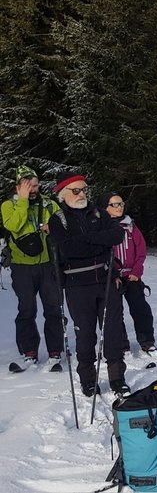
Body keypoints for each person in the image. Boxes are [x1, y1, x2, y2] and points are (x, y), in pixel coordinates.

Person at [47, 172, 129, 396]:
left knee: (112, 331)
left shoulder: (98, 213)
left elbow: (116, 236)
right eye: (76, 190)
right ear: (64, 194)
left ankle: (117, 378)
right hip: (76, 284)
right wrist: (97, 241)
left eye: (84, 189)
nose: (82, 193)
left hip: (106, 279)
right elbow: (68, 249)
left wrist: (86, 240)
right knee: (85, 334)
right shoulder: (58, 220)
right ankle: (88, 379)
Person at [1, 166, 64, 370]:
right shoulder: (8, 205)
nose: (34, 189)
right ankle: (29, 351)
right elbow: (14, 226)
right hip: (22, 266)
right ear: (18, 186)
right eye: (29, 186)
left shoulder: (48, 204)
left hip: (48, 264)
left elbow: (64, 224)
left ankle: (55, 350)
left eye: (36, 185)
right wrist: (23, 201)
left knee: (53, 308)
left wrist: (52, 227)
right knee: (26, 309)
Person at [99, 192, 156, 353]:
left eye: (121, 204)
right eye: (114, 205)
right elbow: (101, 251)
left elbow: (141, 250)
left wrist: (137, 270)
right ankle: (121, 344)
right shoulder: (102, 226)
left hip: (132, 275)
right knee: (114, 312)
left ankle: (147, 341)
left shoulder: (130, 225)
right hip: (111, 276)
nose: (119, 207)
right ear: (106, 208)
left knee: (141, 309)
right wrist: (112, 272)